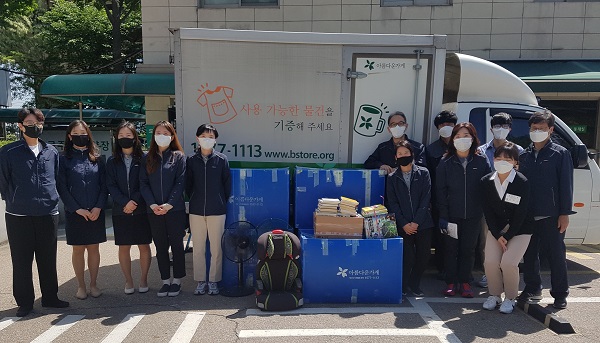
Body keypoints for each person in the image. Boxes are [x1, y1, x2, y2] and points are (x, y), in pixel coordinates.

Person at [0, 108, 69, 317]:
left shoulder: (51, 152)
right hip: (18, 215)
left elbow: (56, 178)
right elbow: (3, 181)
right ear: (20, 126)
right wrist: (13, 199)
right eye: (30, 122)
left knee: (47, 258)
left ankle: (50, 297)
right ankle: (25, 302)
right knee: (21, 260)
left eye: (38, 122)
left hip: (47, 213)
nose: (35, 126)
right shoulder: (9, 151)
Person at [517, 110, 574, 309]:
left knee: (556, 255)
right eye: (534, 128)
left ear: (550, 130)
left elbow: (566, 186)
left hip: (552, 215)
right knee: (530, 255)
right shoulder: (523, 155)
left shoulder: (560, 153)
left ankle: (560, 294)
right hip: (528, 215)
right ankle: (533, 287)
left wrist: (565, 213)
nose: (537, 131)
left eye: (541, 128)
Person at [436, 122, 491, 298]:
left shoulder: (481, 160)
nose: (462, 139)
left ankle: (466, 282)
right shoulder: (445, 162)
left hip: (474, 215)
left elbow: (488, 185)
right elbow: (440, 190)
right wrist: (443, 215)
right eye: (458, 136)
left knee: (469, 249)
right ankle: (451, 282)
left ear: (473, 138)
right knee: (451, 249)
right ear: (452, 140)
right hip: (451, 215)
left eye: (466, 135)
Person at [57, 120, 108, 300]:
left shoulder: (97, 158)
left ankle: (94, 284)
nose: (81, 136)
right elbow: (61, 187)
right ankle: (81, 285)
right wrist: (76, 209)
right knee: (78, 249)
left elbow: (104, 186)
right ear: (70, 136)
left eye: (84, 133)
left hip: (95, 212)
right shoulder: (63, 159)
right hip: (75, 213)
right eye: (76, 133)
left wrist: (98, 206)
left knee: (94, 248)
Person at [480, 142, 531, 314]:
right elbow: (487, 211)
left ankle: (510, 298)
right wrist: (497, 234)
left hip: (520, 229)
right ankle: (494, 295)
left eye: (507, 159)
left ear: (515, 163)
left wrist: (508, 236)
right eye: (498, 157)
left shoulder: (522, 182)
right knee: (490, 262)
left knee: (508, 263)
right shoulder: (486, 181)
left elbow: (521, 213)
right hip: (497, 230)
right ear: (493, 159)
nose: (502, 161)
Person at [475, 112, 524, 288]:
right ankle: (489, 274)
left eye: (504, 126)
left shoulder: (519, 151)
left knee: (511, 239)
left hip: (512, 205)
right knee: (487, 240)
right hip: (490, 205)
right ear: (491, 129)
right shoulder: (481, 151)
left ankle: (507, 274)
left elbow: (521, 179)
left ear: (510, 129)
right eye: (497, 126)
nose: (500, 130)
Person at [140, 121, 187, 297]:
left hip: (174, 210)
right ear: (153, 136)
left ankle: (177, 281)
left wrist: (170, 204)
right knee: (160, 246)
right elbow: (143, 184)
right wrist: (153, 205)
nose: (161, 135)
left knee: (176, 245)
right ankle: (165, 280)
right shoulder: (147, 157)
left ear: (172, 136)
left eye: (165, 133)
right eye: (158, 132)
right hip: (154, 210)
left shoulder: (179, 157)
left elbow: (180, 183)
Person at [106, 121, 152, 295]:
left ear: (135, 138)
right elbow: (110, 185)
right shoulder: (112, 161)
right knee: (124, 246)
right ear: (116, 138)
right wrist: (125, 202)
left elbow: (145, 183)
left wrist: (135, 201)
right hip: (121, 209)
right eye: (121, 136)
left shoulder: (145, 158)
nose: (125, 139)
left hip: (141, 208)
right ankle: (128, 281)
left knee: (143, 245)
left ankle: (143, 279)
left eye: (129, 136)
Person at [186, 124, 232, 296]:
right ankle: (200, 281)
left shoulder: (221, 160)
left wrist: (220, 200)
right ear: (197, 138)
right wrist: (194, 199)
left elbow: (227, 185)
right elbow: (188, 185)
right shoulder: (191, 160)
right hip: (196, 210)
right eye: (204, 136)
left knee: (216, 248)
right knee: (198, 248)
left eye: (211, 136)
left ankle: (213, 281)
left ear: (215, 140)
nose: (207, 139)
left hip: (217, 210)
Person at [386, 140, 434, 297]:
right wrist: (405, 223)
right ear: (395, 157)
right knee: (408, 257)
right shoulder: (392, 177)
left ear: (412, 154)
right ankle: (404, 285)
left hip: (423, 223)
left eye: (406, 153)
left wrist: (416, 222)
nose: (403, 156)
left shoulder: (423, 173)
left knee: (423, 255)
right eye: (400, 154)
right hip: (403, 224)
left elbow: (426, 199)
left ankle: (415, 283)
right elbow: (392, 203)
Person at [426, 110, 458, 278]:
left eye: (450, 124)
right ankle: (442, 269)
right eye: (442, 125)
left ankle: (459, 270)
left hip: (458, 200)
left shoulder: (461, 146)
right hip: (439, 200)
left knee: (460, 238)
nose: (446, 127)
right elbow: (429, 177)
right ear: (438, 128)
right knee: (441, 236)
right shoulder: (431, 150)